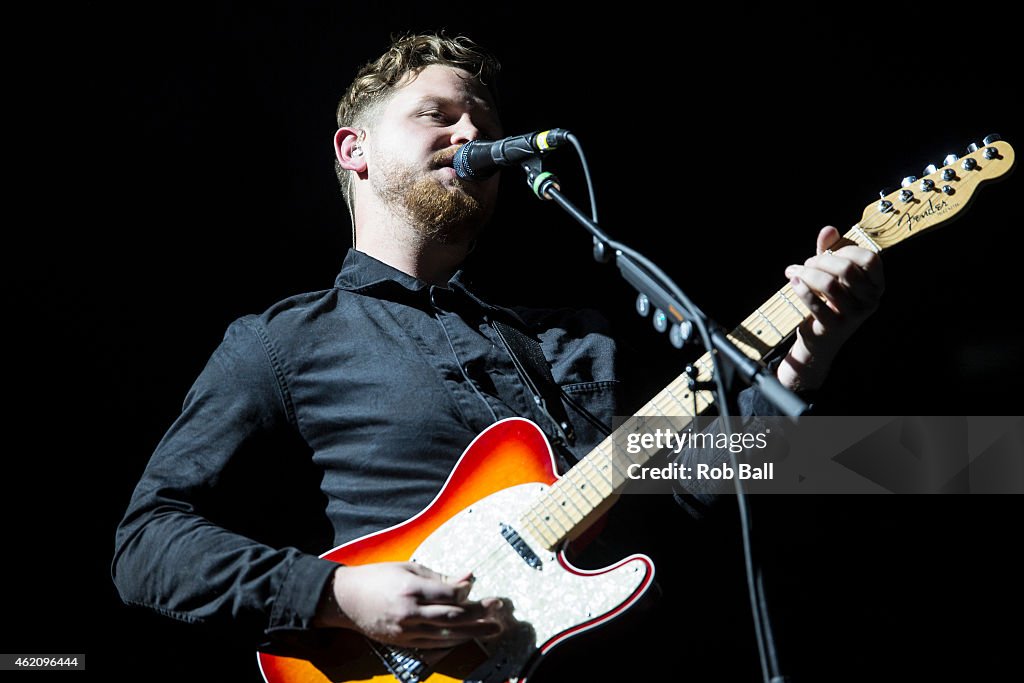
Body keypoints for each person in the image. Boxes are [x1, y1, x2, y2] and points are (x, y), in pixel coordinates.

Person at [112, 32, 884, 676]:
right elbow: (147, 541)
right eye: (436, 114)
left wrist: (809, 351)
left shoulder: (570, 337)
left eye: (483, 119)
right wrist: (336, 595)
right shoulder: (283, 341)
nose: (473, 134)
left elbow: (698, 488)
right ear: (355, 149)